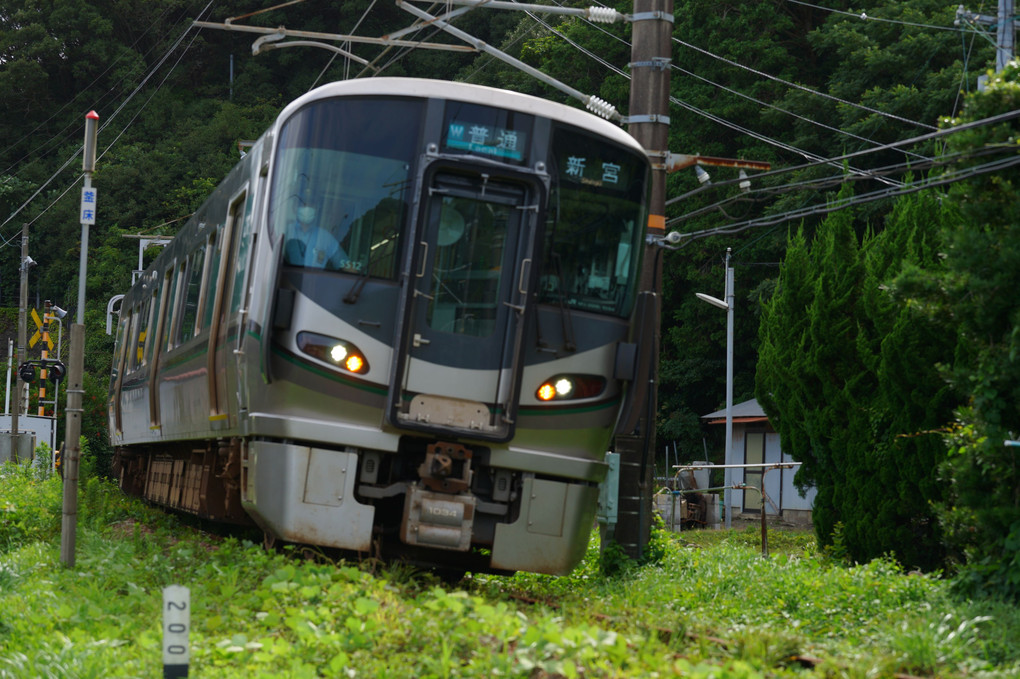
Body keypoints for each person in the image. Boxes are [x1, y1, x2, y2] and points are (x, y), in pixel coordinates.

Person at [284, 199, 344, 268]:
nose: (307, 208)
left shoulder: (325, 237)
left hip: (316, 278)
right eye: (303, 204)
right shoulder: (287, 231)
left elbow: (344, 264)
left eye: (311, 204)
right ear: (295, 208)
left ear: (316, 209)